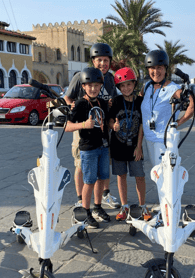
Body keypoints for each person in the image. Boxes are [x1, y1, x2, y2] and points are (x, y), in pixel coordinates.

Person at [140, 50, 195, 213]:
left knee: (166, 178)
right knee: (160, 177)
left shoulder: (172, 88)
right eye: (152, 68)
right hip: (150, 140)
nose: (155, 71)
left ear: (165, 69)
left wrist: (177, 123)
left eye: (159, 68)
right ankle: (166, 207)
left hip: (163, 142)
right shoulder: (147, 86)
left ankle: (168, 212)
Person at [64, 43, 120, 210]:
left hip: (103, 127)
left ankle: (104, 195)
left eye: (106, 60)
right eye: (99, 60)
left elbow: (113, 99)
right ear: (93, 61)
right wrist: (75, 110)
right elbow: (68, 97)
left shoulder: (110, 78)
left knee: (104, 162)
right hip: (83, 127)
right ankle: (81, 199)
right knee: (81, 163)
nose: (103, 64)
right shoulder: (81, 76)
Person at [66, 67, 111, 229]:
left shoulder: (103, 102)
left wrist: (115, 124)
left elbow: (108, 120)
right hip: (88, 149)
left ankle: (98, 207)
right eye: (89, 85)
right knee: (89, 181)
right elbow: (67, 126)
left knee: (102, 178)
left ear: (101, 86)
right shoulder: (80, 104)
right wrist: (84, 124)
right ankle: (85, 211)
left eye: (96, 85)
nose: (93, 88)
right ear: (83, 86)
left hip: (104, 147)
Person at [108, 67, 149, 221]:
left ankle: (143, 206)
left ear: (134, 84)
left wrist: (139, 147)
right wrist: (113, 126)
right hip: (118, 146)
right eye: (122, 86)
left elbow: (141, 125)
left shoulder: (140, 102)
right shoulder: (116, 101)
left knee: (140, 176)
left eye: (129, 84)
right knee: (121, 176)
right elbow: (110, 120)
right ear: (119, 87)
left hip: (134, 147)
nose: (126, 88)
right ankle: (124, 206)